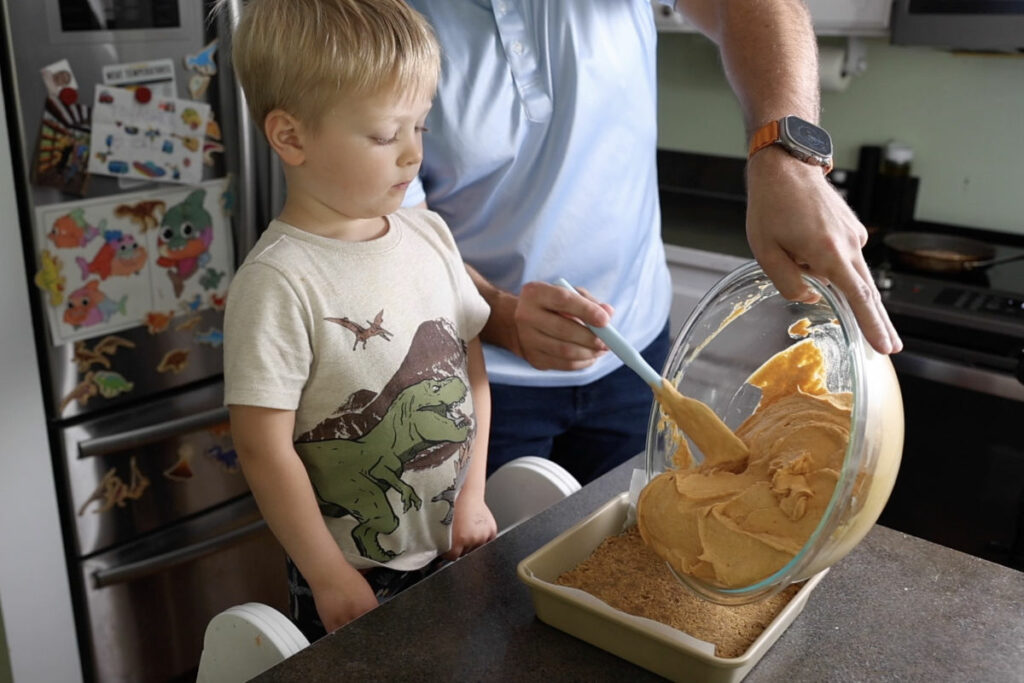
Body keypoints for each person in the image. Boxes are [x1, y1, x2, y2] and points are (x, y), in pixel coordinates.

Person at [402, 0, 902, 485]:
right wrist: (500, 316)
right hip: (472, 379)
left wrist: (786, 156)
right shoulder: (373, 17)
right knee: (488, 568)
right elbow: (394, 226)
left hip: (637, 356)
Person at [222, 0, 497, 642]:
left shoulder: (430, 233)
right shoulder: (278, 281)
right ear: (291, 137)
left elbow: (471, 375)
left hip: (454, 537)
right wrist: (326, 574)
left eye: (421, 128)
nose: (411, 156)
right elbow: (264, 447)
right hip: (354, 570)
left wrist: (473, 498)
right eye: (383, 135)